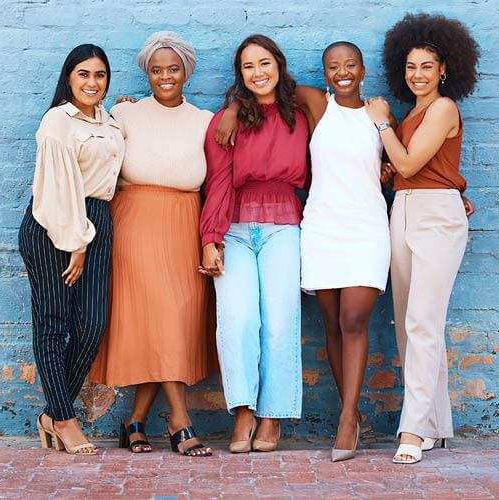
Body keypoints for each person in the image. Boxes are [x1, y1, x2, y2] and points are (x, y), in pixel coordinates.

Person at [216, 41, 394, 462]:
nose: (342, 72)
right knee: (331, 322)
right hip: (319, 226)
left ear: (363, 69)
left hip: (364, 226)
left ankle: (348, 417)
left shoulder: (381, 113)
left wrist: (453, 191)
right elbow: (264, 89)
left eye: (350, 65)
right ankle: (330, 414)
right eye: (333, 66)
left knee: (351, 319)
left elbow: (399, 165)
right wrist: (229, 110)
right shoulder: (316, 101)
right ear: (324, 71)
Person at [88, 32, 215, 457]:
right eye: (157, 70)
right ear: (147, 72)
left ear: (186, 72)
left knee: (173, 319)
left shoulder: (204, 120)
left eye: (173, 69)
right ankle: (180, 420)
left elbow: (215, 182)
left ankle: (134, 420)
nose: (165, 77)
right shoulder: (125, 113)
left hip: (185, 223)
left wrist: (210, 239)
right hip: (136, 222)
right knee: (162, 314)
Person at [364, 12, 480, 464]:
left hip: (435, 216)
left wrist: (381, 126)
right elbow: (406, 171)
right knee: (409, 322)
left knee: (423, 322)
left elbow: (412, 165)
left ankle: (411, 431)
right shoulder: (413, 112)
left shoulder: (443, 108)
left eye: (427, 67)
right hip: (405, 212)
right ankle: (435, 424)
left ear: (444, 69)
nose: (418, 75)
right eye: (411, 67)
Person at [199, 34, 308, 453]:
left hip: (284, 225)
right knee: (238, 319)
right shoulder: (224, 122)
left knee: (280, 322)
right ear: (239, 75)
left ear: (278, 65)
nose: (258, 73)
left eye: (265, 63)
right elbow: (218, 182)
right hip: (236, 229)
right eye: (248, 67)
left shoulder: (301, 112)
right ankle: (243, 409)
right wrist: (210, 239)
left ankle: (272, 416)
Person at [18, 44, 124, 454]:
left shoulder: (111, 121)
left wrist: (124, 110)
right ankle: (63, 420)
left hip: (97, 219)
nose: (92, 83)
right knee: (53, 324)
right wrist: (76, 243)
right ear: (68, 77)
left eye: (99, 75)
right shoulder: (57, 121)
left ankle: (50, 413)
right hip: (54, 225)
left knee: (92, 323)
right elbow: (58, 188)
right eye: (83, 74)